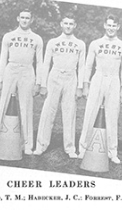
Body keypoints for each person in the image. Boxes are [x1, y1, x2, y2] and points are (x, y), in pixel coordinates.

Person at [0, 9, 43, 155]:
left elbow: (40, 62)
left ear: (31, 20)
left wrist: (39, 82)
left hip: (27, 71)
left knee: (26, 108)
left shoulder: (37, 38)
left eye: (28, 18)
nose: (25, 20)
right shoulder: (9, 36)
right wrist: (0, 80)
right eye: (22, 17)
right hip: (11, 69)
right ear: (18, 18)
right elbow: (2, 59)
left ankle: (27, 144)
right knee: (3, 106)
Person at [78, 15, 122, 164]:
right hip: (98, 77)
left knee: (112, 116)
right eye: (109, 25)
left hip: (114, 79)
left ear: (118, 27)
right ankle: (83, 148)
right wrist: (85, 85)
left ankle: (111, 151)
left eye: (114, 26)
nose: (111, 28)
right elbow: (88, 66)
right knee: (90, 114)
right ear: (104, 26)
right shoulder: (95, 43)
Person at [33, 13, 86, 158]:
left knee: (69, 112)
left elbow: (82, 66)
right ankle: (41, 145)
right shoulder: (53, 41)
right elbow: (46, 63)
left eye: (71, 24)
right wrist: (43, 84)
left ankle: (70, 148)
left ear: (75, 26)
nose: (68, 26)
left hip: (71, 77)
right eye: (66, 23)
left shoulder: (80, 44)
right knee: (48, 111)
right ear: (61, 24)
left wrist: (80, 86)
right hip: (54, 76)